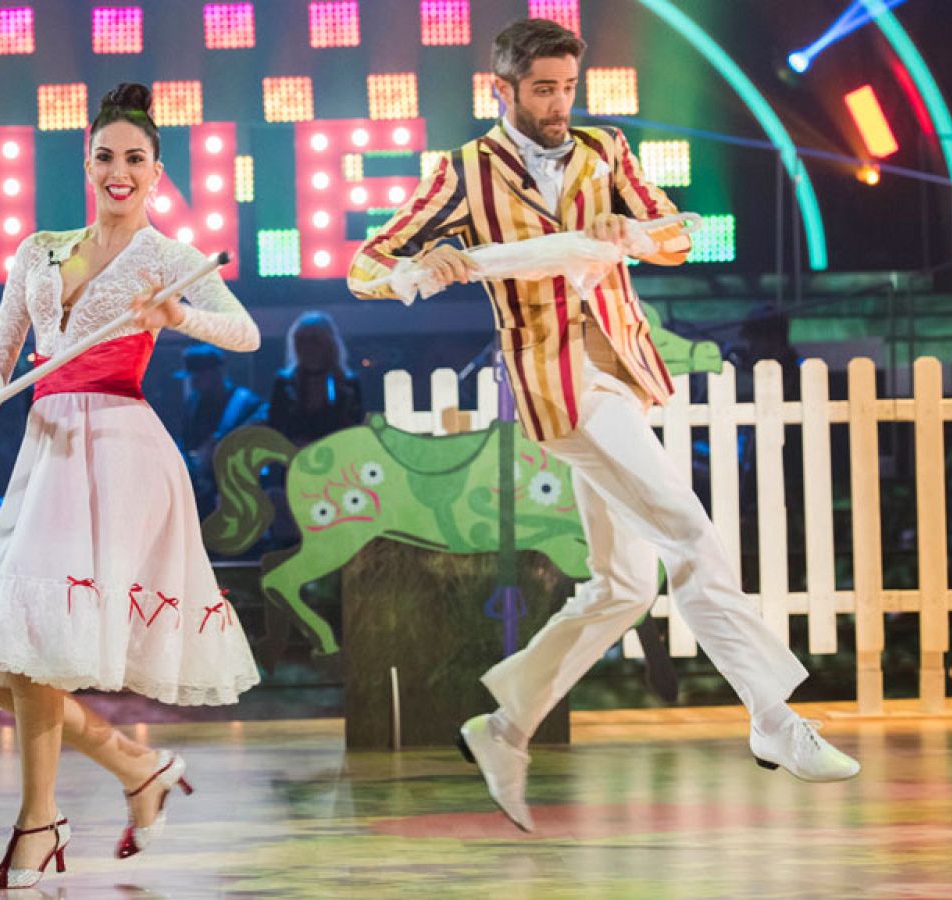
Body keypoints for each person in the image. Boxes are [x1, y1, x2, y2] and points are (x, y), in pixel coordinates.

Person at [347, 19, 859, 832]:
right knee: (689, 532)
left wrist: (635, 234)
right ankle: (773, 717)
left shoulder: (604, 150)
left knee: (623, 585)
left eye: (567, 88)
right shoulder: (463, 171)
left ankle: (504, 726)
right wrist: (421, 263)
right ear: (502, 90)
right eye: (542, 90)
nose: (558, 104)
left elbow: (676, 233)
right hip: (559, 385)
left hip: (620, 368)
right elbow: (365, 267)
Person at [0, 82, 261, 890]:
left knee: (32, 650)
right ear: (87, 165)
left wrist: (178, 318)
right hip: (48, 447)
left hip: (121, 454)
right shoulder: (39, 250)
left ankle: (40, 824)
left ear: (157, 172)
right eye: (107, 157)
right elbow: (1, 350)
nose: (121, 171)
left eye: (136, 160)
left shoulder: (168, 258)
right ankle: (133, 769)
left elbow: (246, 333)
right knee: (16, 658)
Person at [176, 343, 265, 515]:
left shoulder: (246, 403)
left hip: (235, 489)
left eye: (199, 375)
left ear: (217, 372)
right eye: (192, 376)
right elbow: (185, 440)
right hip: (200, 490)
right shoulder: (193, 404)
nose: (194, 382)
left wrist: (218, 445)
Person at [265, 310, 364, 446]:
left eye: (314, 340)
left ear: (329, 344)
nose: (307, 347)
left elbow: (355, 428)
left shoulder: (348, 384)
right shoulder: (285, 383)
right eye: (301, 340)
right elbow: (275, 428)